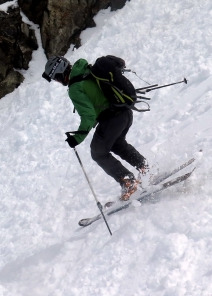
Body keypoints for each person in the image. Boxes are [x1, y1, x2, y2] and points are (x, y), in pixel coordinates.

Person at [43, 55, 148, 200]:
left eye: (55, 78)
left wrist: (77, 138)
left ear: (60, 73)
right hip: (124, 113)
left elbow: (89, 116)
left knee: (98, 152)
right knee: (117, 144)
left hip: (112, 119)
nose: (57, 81)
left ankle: (129, 183)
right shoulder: (87, 71)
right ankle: (146, 169)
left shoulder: (75, 88)